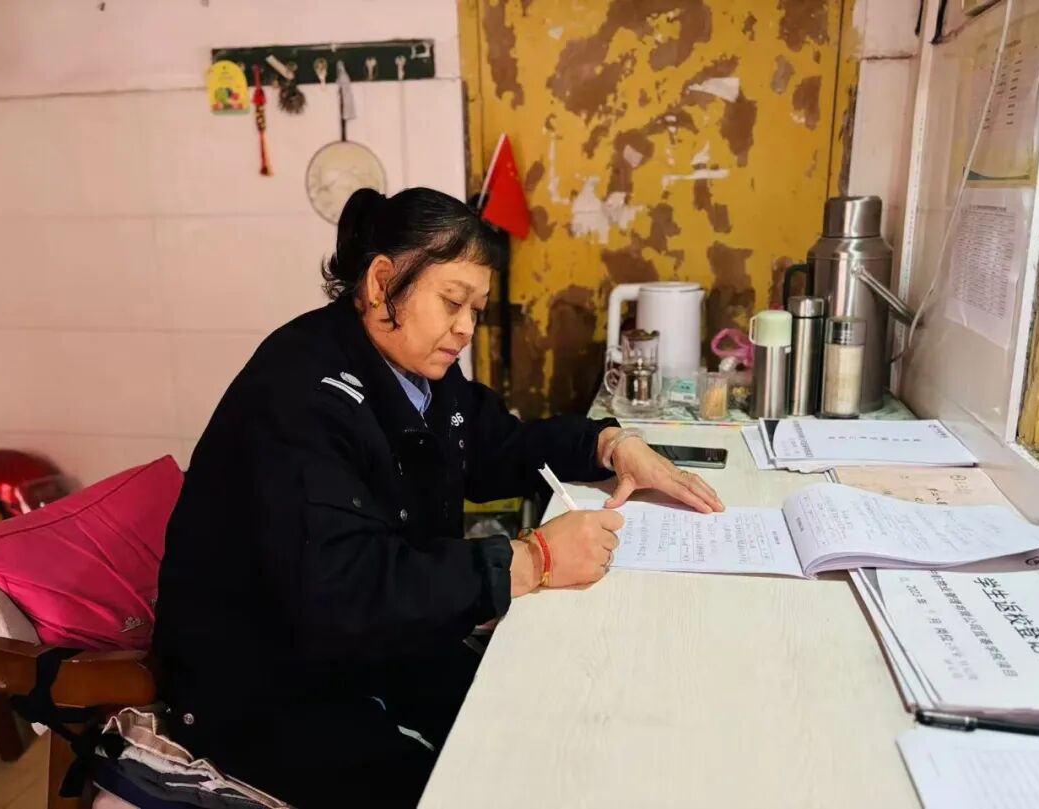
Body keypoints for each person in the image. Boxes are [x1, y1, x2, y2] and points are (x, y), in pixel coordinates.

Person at [153, 187, 724, 808]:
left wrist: (610, 445)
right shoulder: (299, 397)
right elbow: (343, 591)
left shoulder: (420, 372)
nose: (465, 329)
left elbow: (499, 447)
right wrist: (533, 559)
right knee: (461, 787)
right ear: (382, 282)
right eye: (452, 302)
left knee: (537, 726)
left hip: (381, 639)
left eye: (475, 309)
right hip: (267, 680)